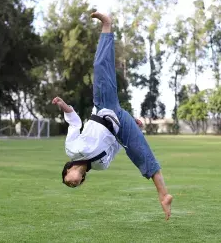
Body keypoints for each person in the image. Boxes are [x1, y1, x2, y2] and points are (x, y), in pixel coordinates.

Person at [52, 12, 173, 220]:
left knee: (100, 68)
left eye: (68, 180)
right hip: (120, 126)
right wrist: (133, 127)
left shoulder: (72, 149)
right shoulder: (100, 166)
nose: (72, 183)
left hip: (104, 107)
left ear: (68, 169)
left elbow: (74, 122)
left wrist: (64, 105)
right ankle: (164, 195)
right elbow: (117, 145)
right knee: (141, 155)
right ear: (82, 180)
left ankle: (106, 26)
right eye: (75, 185)